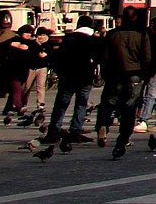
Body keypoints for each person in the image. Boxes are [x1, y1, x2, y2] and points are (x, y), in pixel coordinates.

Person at [94, 8, 150, 158]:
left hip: (114, 73)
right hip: (134, 74)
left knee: (107, 102)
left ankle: (103, 126)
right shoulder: (142, 33)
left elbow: (104, 56)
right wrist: (145, 74)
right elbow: (146, 56)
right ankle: (123, 138)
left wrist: (105, 73)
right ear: (135, 17)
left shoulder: (112, 34)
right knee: (129, 106)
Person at [42, 18, 100, 148]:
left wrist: (58, 71)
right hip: (85, 76)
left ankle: (54, 131)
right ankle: (75, 130)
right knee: (81, 104)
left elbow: (58, 56)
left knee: (61, 104)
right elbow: (98, 57)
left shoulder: (69, 38)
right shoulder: (93, 40)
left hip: (68, 76)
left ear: (78, 24)